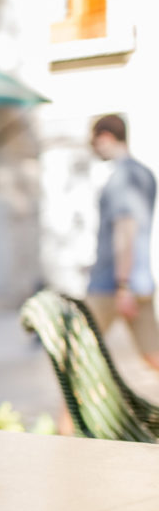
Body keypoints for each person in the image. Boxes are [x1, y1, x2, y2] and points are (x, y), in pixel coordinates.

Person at [85, 114, 159, 372]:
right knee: (153, 354)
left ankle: (67, 414)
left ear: (105, 137)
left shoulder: (122, 178)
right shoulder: (145, 173)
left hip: (112, 285)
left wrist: (122, 286)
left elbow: (125, 232)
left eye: (94, 142)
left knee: (77, 355)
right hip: (139, 282)